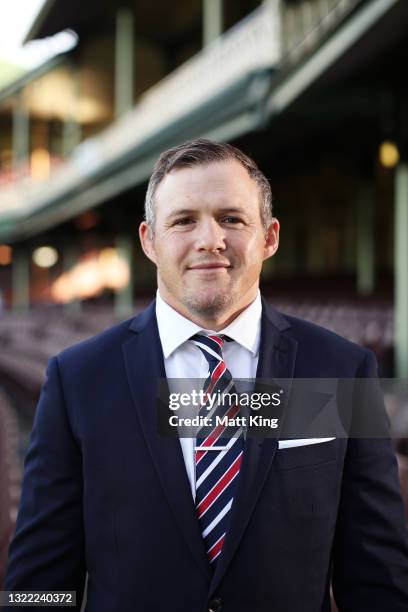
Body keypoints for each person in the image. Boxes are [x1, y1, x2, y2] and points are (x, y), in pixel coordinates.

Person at [5, 139, 408, 611]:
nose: (209, 239)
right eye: (183, 221)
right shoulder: (78, 380)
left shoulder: (341, 371)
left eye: (232, 219)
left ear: (270, 237)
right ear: (149, 241)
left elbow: (378, 580)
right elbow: (38, 586)